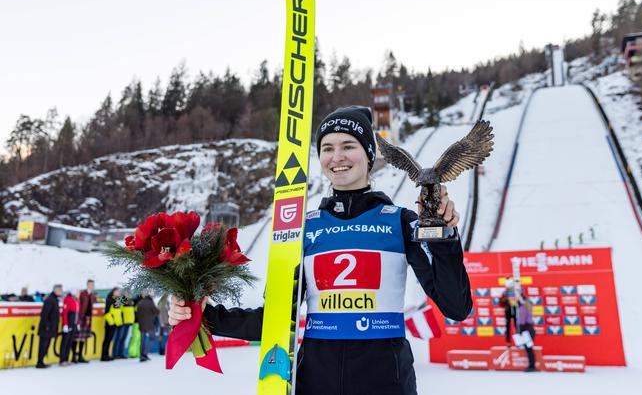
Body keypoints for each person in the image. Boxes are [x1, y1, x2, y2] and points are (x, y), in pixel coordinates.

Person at [169, 106, 472, 395]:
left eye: (348, 145)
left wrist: (445, 239)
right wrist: (199, 315)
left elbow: (455, 307)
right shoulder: (303, 229)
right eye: (327, 148)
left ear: (368, 154)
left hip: (385, 382)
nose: (337, 156)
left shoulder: (401, 222)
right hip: (316, 382)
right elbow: (273, 319)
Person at [36, 284, 63, 368]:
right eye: (60, 290)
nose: (61, 292)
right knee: (43, 345)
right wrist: (47, 326)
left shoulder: (54, 299)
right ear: (55, 290)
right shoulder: (50, 300)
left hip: (50, 328)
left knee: (46, 345)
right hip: (46, 328)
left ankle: (41, 361)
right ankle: (39, 362)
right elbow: (44, 314)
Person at [72, 279, 96, 363]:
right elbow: (78, 304)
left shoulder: (92, 295)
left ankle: (80, 356)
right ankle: (73, 356)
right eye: (90, 285)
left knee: (83, 338)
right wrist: (78, 317)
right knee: (76, 337)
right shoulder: (82, 294)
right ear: (87, 285)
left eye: (93, 285)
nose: (92, 286)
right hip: (81, 317)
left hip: (88, 318)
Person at [515, 291, 537, 372]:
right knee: (529, 348)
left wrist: (519, 331)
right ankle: (532, 365)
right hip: (529, 329)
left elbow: (522, 321)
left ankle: (532, 366)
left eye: (517, 296)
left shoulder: (522, 307)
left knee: (528, 349)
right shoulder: (527, 304)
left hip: (526, 330)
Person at [136, 290, 160, 362]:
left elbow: (137, 313)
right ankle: (145, 353)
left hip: (141, 324)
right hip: (149, 324)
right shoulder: (150, 302)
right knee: (152, 338)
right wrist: (153, 315)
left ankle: (142, 356)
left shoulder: (140, 302)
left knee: (142, 340)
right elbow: (157, 311)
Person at [101, 287, 122, 362]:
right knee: (107, 339)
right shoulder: (109, 299)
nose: (119, 293)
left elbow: (118, 311)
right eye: (117, 291)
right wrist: (112, 322)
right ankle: (103, 356)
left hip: (115, 323)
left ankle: (107, 355)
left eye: (119, 292)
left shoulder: (117, 300)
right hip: (110, 323)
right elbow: (107, 313)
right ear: (113, 292)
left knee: (110, 340)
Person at [59, 291, 79, 366]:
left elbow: (77, 312)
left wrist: (78, 323)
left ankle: (66, 358)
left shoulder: (76, 299)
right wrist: (65, 324)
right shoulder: (67, 299)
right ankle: (62, 359)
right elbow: (65, 312)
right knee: (65, 342)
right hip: (69, 324)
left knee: (70, 342)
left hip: (74, 323)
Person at [115, 290, 136, 358]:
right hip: (122, 321)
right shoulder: (122, 299)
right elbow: (116, 308)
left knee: (124, 338)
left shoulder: (131, 300)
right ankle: (115, 354)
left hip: (128, 322)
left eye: (129, 292)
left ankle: (121, 353)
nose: (128, 294)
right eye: (127, 292)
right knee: (119, 338)